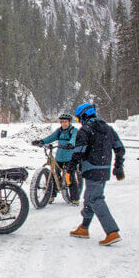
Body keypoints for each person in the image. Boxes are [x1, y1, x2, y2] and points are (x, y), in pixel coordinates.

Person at [66, 103, 125, 246]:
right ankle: (84, 228)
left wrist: (70, 169)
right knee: (89, 197)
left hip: (91, 169)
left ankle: (112, 232)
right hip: (104, 169)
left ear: (85, 116)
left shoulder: (85, 130)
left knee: (95, 199)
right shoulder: (109, 129)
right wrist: (118, 166)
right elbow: (119, 148)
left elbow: (79, 151)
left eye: (79, 118)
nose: (79, 121)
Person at [32, 113, 79, 204]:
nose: (64, 124)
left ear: (69, 122)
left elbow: (73, 139)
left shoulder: (74, 130)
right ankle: (52, 195)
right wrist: (41, 141)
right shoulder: (59, 131)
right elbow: (51, 138)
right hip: (59, 157)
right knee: (54, 175)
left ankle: (75, 198)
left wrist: (71, 144)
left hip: (69, 158)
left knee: (70, 177)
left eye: (65, 122)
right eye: (62, 122)